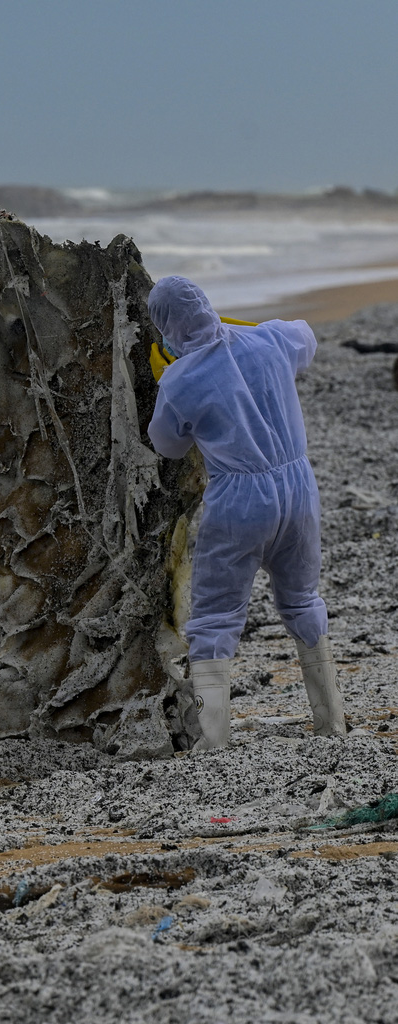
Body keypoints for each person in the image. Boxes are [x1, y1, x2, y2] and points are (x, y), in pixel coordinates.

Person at [147, 276, 345, 752]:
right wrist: (249, 329)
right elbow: (307, 338)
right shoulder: (271, 338)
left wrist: (168, 378)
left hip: (239, 499)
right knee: (302, 600)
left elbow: (166, 445)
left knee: (215, 616)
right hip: (299, 489)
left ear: (165, 328)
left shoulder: (180, 379)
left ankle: (214, 743)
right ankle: (332, 723)